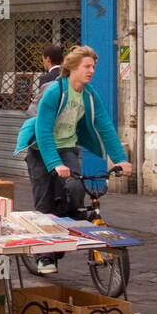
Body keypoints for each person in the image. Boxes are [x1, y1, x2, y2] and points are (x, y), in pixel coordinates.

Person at [13, 45, 132, 276]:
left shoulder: (88, 94)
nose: (92, 71)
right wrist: (54, 164)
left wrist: (120, 159)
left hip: (67, 146)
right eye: (88, 66)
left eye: (93, 67)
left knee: (77, 187)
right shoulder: (55, 92)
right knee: (44, 204)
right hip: (41, 149)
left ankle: (64, 222)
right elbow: (43, 129)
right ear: (73, 68)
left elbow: (105, 126)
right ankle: (45, 256)